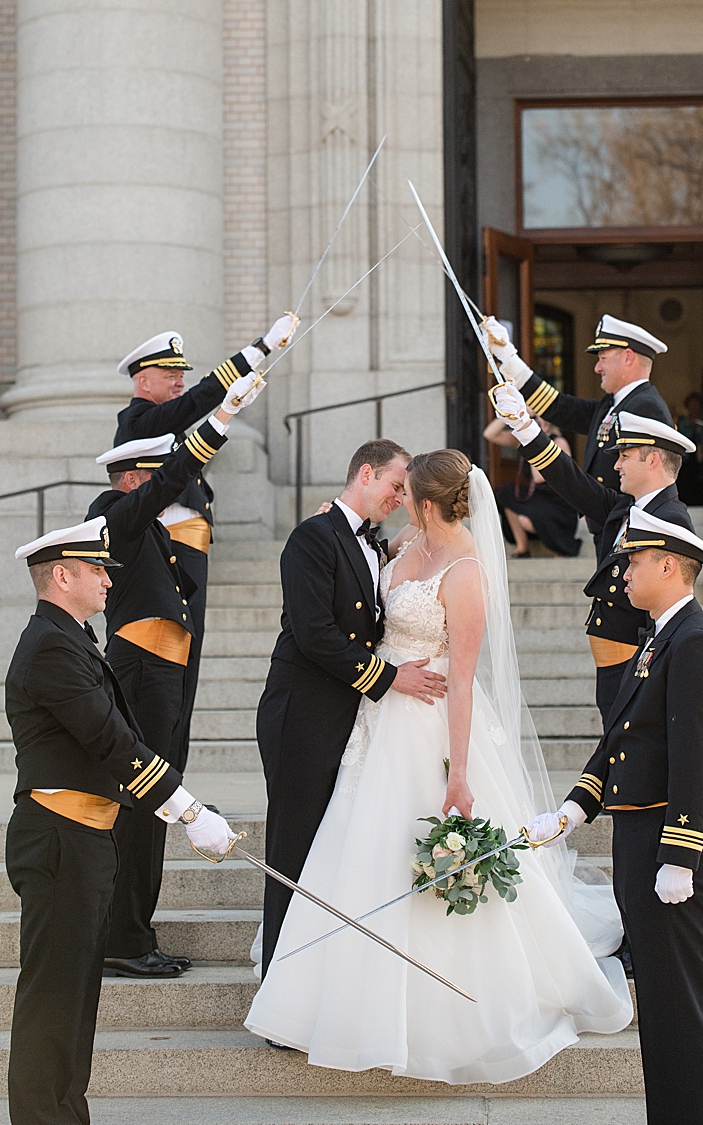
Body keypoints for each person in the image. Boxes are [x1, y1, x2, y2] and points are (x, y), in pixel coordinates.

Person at [245, 451, 634, 1079]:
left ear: (427, 503)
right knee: (356, 844)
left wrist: (458, 772)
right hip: (372, 717)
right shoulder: (403, 543)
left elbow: (461, 678)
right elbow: (350, 573)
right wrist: (333, 524)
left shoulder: (465, 572)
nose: (398, 501)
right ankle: (322, 982)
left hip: (429, 723)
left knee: (400, 841)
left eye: (407, 492)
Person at [7, 517, 234, 1125]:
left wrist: (181, 803)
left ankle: (63, 1114)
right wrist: (183, 806)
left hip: (84, 838)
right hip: (59, 837)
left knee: (76, 996)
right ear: (62, 575)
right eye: (97, 570)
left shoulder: (73, 638)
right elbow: (109, 739)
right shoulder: (51, 645)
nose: (109, 581)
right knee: (53, 998)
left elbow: (120, 733)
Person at [528, 507, 703, 1125]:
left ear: (669, 566)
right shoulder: (661, 637)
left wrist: (680, 856)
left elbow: (696, 760)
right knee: (663, 1013)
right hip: (638, 839)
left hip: (667, 847)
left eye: (635, 562)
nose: (625, 575)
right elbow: (623, 740)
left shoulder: (695, 643)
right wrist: (573, 808)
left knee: (677, 1011)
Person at [89, 373, 263, 979]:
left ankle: (134, 932)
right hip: (142, 664)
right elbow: (171, 481)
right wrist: (220, 417)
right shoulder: (116, 510)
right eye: (162, 475)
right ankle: (122, 939)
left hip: (168, 663)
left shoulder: (151, 524)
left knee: (160, 799)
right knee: (143, 803)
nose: (176, 484)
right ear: (136, 477)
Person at [255, 439, 449, 971]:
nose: (399, 497)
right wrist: (389, 678)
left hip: (343, 715)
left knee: (328, 853)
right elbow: (315, 634)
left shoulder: (377, 544)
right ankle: (281, 981)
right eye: (394, 486)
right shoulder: (311, 538)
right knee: (293, 853)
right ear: (365, 474)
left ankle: (317, 976)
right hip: (302, 714)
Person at [112, 320, 297, 776]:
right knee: (170, 671)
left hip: (189, 548)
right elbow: (195, 404)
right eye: (170, 374)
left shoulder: (158, 420)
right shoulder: (136, 421)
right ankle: (160, 775)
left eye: (181, 373)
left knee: (186, 670)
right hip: (171, 549)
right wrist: (261, 348)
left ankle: (173, 776)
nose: (179, 382)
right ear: (142, 380)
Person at [490, 383, 696, 721]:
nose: (615, 466)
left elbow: (664, 613)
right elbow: (571, 481)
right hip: (615, 664)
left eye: (625, 456)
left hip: (637, 666)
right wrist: (525, 428)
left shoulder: (669, 520)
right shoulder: (627, 507)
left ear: (654, 460)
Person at [481, 314, 673, 540]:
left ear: (628, 357)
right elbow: (559, 407)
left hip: (629, 529)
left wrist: (524, 426)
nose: (597, 367)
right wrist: (508, 356)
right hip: (611, 525)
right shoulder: (615, 403)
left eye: (602, 357)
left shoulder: (645, 407)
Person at [482, 417, 583, 558]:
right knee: (506, 493)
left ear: (546, 426)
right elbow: (490, 434)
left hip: (558, 501)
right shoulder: (522, 441)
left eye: (535, 420)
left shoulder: (559, 442)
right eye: (531, 419)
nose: (530, 423)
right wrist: (511, 414)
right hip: (536, 496)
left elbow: (539, 477)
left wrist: (534, 441)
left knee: (527, 520)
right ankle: (522, 548)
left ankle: (558, 545)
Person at [675, 392, 703, 505]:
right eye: (691, 406)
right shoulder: (682, 421)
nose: (694, 409)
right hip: (685, 458)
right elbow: (679, 436)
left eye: (696, 406)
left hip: (699, 458)